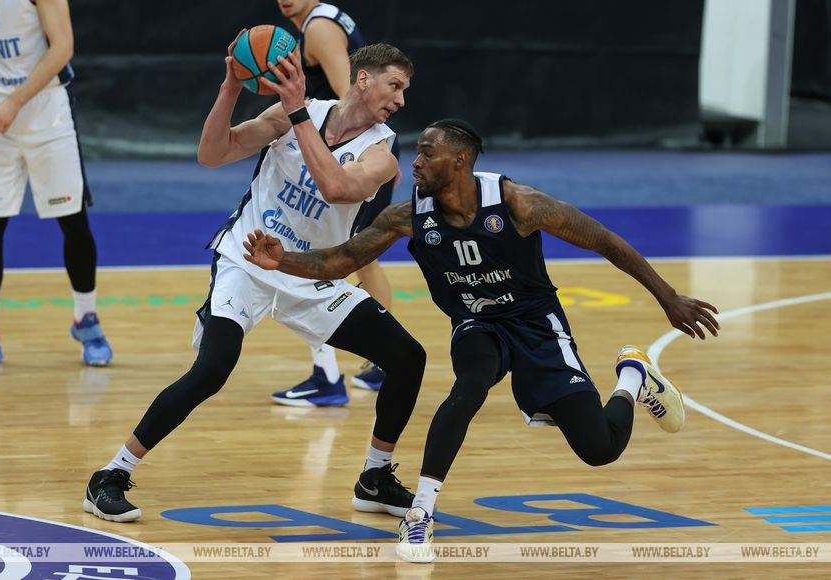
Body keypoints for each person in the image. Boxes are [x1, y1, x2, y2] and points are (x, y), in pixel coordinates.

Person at [243, 119, 721, 562]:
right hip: (476, 322)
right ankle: (420, 514)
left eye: (427, 153)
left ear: (459, 161)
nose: (415, 162)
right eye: (417, 153)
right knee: (470, 384)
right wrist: (282, 260)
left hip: (536, 325)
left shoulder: (520, 204)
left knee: (599, 449)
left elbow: (605, 241)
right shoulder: (406, 215)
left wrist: (669, 298)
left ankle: (633, 376)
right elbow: (342, 260)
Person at [83, 41, 424, 523]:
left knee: (408, 358)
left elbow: (337, 188)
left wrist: (297, 112)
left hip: (307, 271)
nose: (401, 100)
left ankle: (375, 477)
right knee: (213, 368)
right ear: (364, 79)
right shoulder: (293, 114)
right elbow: (212, 154)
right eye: (395, 85)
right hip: (248, 258)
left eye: (405, 90)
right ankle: (111, 475)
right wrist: (230, 89)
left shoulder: (381, 153)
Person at [0, 0, 112, 367]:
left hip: (47, 112)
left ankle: (86, 320)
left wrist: (15, 102)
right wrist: (6, 104)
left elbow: (62, 48)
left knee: (73, 222)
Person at [276, 0, 393, 403]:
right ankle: (384, 359)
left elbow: (352, 98)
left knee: (313, 255)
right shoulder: (325, 18)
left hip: (349, 157)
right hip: (358, 153)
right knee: (361, 256)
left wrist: (363, 159)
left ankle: (327, 376)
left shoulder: (319, 28)